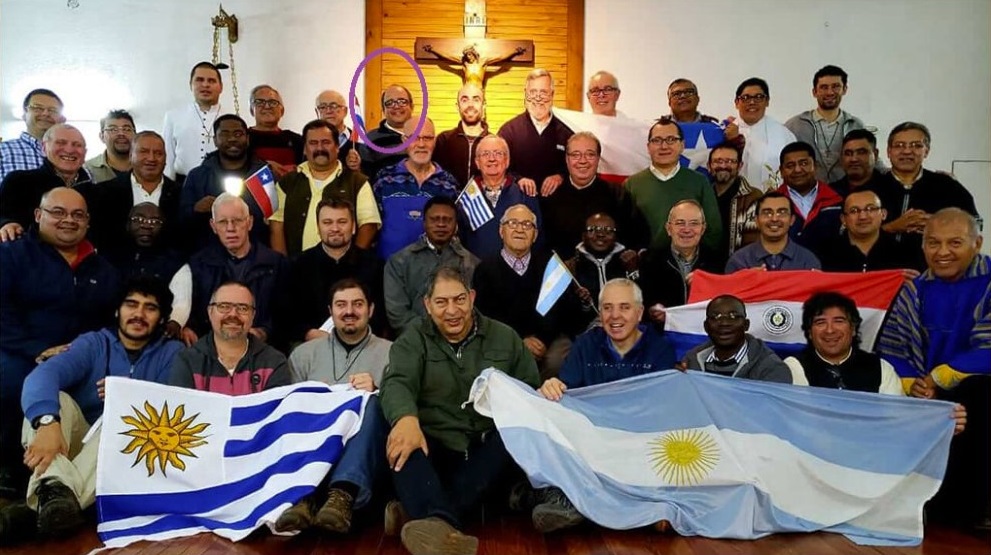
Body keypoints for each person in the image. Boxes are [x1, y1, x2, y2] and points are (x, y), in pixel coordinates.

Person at [3, 277, 182, 542]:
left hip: (129, 460)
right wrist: (48, 422)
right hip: (71, 448)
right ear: (117, 310)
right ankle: (57, 495)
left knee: (128, 420)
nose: (139, 314)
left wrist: (127, 396)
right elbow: (42, 376)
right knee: (55, 399)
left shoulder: (173, 353)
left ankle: (43, 505)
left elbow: (174, 409)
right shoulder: (94, 343)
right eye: (131, 304)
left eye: (150, 308)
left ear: (161, 318)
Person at [380, 266, 540, 555]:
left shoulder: (505, 337)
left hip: (487, 452)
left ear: (472, 297)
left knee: (512, 435)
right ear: (427, 305)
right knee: (400, 440)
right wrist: (405, 419)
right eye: (441, 302)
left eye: (459, 300)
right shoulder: (411, 340)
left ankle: (430, 517)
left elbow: (528, 390)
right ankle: (443, 525)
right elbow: (397, 382)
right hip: (436, 446)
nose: (452, 310)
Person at [0, 188, 119, 504]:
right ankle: (14, 468)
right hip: (18, 352)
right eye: (58, 212)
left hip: (80, 358)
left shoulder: (102, 268)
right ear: (38, 216)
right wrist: (38, 350)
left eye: (78, 215)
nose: (69, 220)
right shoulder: (10, 254)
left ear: (88, 222)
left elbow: (111, 322)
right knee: (18, 380)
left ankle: (49, 496)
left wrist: (85, 352)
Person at [533, 279, 675, 532]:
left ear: (640, 313)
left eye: (624, 307)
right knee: (544, 413)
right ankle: (563, 499)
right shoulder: (586, 344)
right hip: (591, 441)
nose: (615, 316)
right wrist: (552, 386)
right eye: (607, 308)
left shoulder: (659, 348)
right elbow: (565, 392)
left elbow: (661, 409)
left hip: (638, 442)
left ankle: (588, 506)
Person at [876, 208, 988, 528]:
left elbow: (988, 346)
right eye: (933, 243)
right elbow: (894, 345)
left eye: (954, 243)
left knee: (976, 395)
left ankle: (970, 512)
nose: (942, 253)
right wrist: (914, 383)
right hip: (924, 389)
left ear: (977, 243)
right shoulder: (914, 288)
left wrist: (941, 377)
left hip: (973, 387)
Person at [275, 278, 391, 535]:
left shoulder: (393, 354)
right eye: (341, 305)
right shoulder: (304, 355)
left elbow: (399, 412)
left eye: (357, 304)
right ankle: (304, 497)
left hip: (367, 458)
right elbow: (287, 416)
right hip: (312, 454)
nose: (349, 311)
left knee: (373, 403)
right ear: (330, 312)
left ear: (370, 309)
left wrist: (377, 390)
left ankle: (343, 496)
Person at [173, 194, 289, 348]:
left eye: (237, 221)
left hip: (263, 348)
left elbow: (287, 314)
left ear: (250, 223)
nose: (230, 228)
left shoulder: (276, 264)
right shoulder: (198, 264)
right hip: (210, 347)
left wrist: (264, 332)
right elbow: (193, 310)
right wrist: (188, 327)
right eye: (222, 222)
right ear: (213, 226)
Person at [473, 205, 575, 379]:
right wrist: (520, 340)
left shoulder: (551, 266)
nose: (520, 229)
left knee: (558, 360)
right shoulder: (485, 269)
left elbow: (563, 312)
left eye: (527, 225)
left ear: (535, 235)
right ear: (501, 231)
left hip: (549, 341)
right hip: (504, 340)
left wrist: (543, 340)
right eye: (513, 223)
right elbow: (486, 316)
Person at [868, 122, 981, 268]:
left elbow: (975, 227)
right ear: (889, 151)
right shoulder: (870, 188)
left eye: (916, 145)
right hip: (881, 272)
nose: (907, 151)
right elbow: (849, 235)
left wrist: (939, 224)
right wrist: (892, 227)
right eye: (899, 145)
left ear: (926, 151)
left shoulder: (948, 186)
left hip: (936, 273)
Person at [269, 119, 380, 257]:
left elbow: (368, 225)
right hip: (296, 270)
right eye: (313, 143)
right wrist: (283, 266)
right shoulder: (287, 182)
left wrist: (352, 262)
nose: (320, 148)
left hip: (344, 271)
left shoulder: (357, 181)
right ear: (304, 148)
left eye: (326, 142)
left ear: (337, 146)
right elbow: (276, 226)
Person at [287, 199, 384, 344]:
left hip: (363, 342)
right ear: (318, 228)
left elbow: (381, 313)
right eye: (327, 222)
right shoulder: (297, 265)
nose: (335, 228)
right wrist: (307, 333)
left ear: (353, 227)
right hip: (311, 343)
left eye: (342, 222)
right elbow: (286, 313)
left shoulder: (374, 265)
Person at [170, 282, 291, 394]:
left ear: (253, 315)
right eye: (224, 306)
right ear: (210, 312)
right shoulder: (187, 360)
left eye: (243, 308)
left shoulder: (274, 361)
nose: (233, 314)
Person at [541, 131, 647, 257]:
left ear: (598, 159)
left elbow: (637, 237)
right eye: (575, 155)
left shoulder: (618, 195)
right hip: (562, 272)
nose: (582, 161)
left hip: (609, 272)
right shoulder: (551, 196)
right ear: (567, 159)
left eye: (590, 155)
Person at [623, 118, 722, 251]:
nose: (664, 146)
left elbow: (714, 230)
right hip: (645, 264)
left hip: (690, 265)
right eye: (657, 140)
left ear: (682, 145)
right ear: (648, 147)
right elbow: (625, 231)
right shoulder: (632, 184)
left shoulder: (700, 182)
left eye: (671, 139)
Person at [385, 196, 479, 334]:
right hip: (415, 342)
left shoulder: (471, 263)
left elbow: (476, 312)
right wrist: (431, 335)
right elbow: (398, 315)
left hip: (460, 341)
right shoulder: (399, 262)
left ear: (456, 225)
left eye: (447, 220)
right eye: (434, 219)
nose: (441, 224)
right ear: (424, 223)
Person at [179, 114, 271, 250]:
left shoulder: (264, 174)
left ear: (247, 139)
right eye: (225, 134)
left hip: (256, 256)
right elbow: (181, 221)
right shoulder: (197, 176)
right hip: (209, 258)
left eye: (238, 134)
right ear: (215, 140)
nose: (232, 139)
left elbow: (276, 222)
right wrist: (195, 209)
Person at [374, 117, 460, 259]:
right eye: (414, 138)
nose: (421, 144)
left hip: (436, 272)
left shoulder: (448, 184)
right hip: (390, 271)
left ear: (434, 142)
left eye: (427, 138)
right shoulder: (385, 179)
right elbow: (373, 226)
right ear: (404, 141)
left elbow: (456, 230)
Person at [784, 292, 904, 394]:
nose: (830, 330)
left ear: (853, 329)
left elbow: (896, 415)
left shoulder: (881, 368)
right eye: (820, 322)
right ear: (809, 332)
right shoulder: (793, 367)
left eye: (839, 321)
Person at [82, 131, 181, 252]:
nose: (151, 158)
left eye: (158, 153)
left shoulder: (181, 194)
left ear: (165, 159)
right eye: (143, 151)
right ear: (130, 156)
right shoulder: (103, 193)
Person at [456, 135, 543, 260]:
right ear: (477, 163)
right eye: (485, 154)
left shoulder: (525, 193)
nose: (492, 159)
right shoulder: (466, 196)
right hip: (476, 272)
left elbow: (538, 238)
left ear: (507, 161)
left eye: (498, 153)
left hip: (515, 272)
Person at [0, 124, 92, 240]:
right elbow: (3, 214)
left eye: (77, 145)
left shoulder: (96, 191)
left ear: (85, 152)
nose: (69, 150)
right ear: (43, 148)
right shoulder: (18, 181)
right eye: (61, 143)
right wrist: (6, 223)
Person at [640, 200, 725, 325]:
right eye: (680, 223)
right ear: (669, 229)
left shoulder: (718, 261)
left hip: (705, 334)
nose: (687, 230)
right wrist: (652, 310)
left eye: (694, 224)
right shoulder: (649, 260)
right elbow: (642, 303)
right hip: (663, 334)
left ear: (703, 229)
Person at [784, 66, 871, 183]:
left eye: (836, 86)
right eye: (824, 87)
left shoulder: (855, 125)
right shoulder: (795, 125)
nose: (830, 92)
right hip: (808, 192)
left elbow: (871, 158)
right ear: (814, 92)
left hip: (846, 191)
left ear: (844, 89)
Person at [498, 69, 573, 197]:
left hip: (555, 206)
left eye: (543, 92)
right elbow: (497, 166)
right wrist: (518, 179)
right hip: (518, 204)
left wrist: (561, 176)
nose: (538, 98)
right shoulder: (508, 131)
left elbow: (576, 168)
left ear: (552, 94)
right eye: (533, 92)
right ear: (525, 94)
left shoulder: (567, 134)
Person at [681, 295, 791, 382]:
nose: (724, 323)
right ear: (706, 327)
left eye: (733, 316)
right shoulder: (691, 362)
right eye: (716, 317)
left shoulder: (772, 368)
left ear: (746, 325)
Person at [566, 213, 639, 332]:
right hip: (585, 334)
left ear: (616, 236)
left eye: (608, 230)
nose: (600, 235)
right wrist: (584, 305)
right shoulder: (571, 267)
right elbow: (565, 317)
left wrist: (633, 271)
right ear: (583, 235)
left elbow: (642, 303)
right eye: (593, 230)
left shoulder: (629, 261)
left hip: (627, 329)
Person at [819, 190, 918, 273]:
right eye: (854, 211)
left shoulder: (903, 254)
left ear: (883, 214)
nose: (863, 216)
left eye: (870, 209)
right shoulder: (826, 255)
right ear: (843, 219)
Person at [774, 141, 843, 255]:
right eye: (790, 166)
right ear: (781, 171)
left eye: (804, 163)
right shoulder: (771, 204)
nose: (797, 170)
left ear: (815, 166)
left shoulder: (837, 199)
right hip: (785, 270)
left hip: (829, 269)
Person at [725, 192, 821, 273]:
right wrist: (745, 281)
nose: (774, 219)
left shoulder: (808, 261)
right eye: (767, 213)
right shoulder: (739, 261)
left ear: (792, 220)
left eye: (782, 212)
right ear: (756, 221)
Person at [163, 61, 224, 184]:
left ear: (221, 87)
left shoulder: (231, 118)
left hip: (220, 183)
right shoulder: (173, 116)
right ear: (191, 85)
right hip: (182, 184)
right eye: (199, 80)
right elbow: (168, 159)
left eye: (211, 81)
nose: (205, 85)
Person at [732, 77, 796, 189]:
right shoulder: (726, 132)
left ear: (767, 102)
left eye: (758, 97)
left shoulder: (783, 135)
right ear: (737, 103)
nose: (752, 102)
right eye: (746, 98)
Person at [707, 143, 762, 259]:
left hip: (738, 266)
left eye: (730, 161)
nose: (723, 166)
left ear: (740, 166)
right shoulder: (702, 194)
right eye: (718, 161)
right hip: (704, 267)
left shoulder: (753, 197)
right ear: (709, 166)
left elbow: (754, 242)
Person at [433, 83, 491, 187]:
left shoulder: (494, 142)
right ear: (457, 106)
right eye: (464, 100)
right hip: (449, 202)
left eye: (476, 99)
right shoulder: (443, 140)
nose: (470, 105)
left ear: (484, 105)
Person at [0, 89, 63, 183]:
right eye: (37, 108)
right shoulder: (2, 150)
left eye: (53, 110)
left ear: (62, 119)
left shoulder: (71, 155)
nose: (46, 113)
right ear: (24, 115)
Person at [666, 79, 744, 149]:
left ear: (697, 99)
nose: (683, 96)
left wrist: (735, 139)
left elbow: (733, 158)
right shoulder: (658, 128)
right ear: (669, 102)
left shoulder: (714, 125)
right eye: (676, 94)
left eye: (689, 92)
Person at [358, 84, 415, 181]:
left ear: (412, 106)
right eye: (389, 103)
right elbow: (365, 179)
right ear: (383, 110)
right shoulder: (370, 140)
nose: (396, 106)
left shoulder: (425, 135)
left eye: (402, 101)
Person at [246, 84, 303, 179]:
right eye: (259, 102)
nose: (267, 106)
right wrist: (264, 166)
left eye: (273, 102)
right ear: (252, 110)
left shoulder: (296, 140)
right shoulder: (243, 138)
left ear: (282, 111)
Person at [423, 43, 526, 89]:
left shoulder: (482, 62)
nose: (468, 57)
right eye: (466, 55)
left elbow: (500, 58)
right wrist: (433, 50)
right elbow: (448, 57)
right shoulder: (465, 64)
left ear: (474, 53)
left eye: (470, 54)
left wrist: (515, 52)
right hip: (467, 91)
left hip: (479, 91)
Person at [83, 109, 135, 183]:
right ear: (102, 137)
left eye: (126, 129)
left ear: (135, 136)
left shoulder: (147, 166)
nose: (121, 133)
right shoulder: (87, 169)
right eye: (113, 129)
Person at [830, 129, 885, 198]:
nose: (854, 159)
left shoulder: (892, 189)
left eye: (861, 152)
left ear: (875, 154)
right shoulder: (830, 192)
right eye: (848, 153)